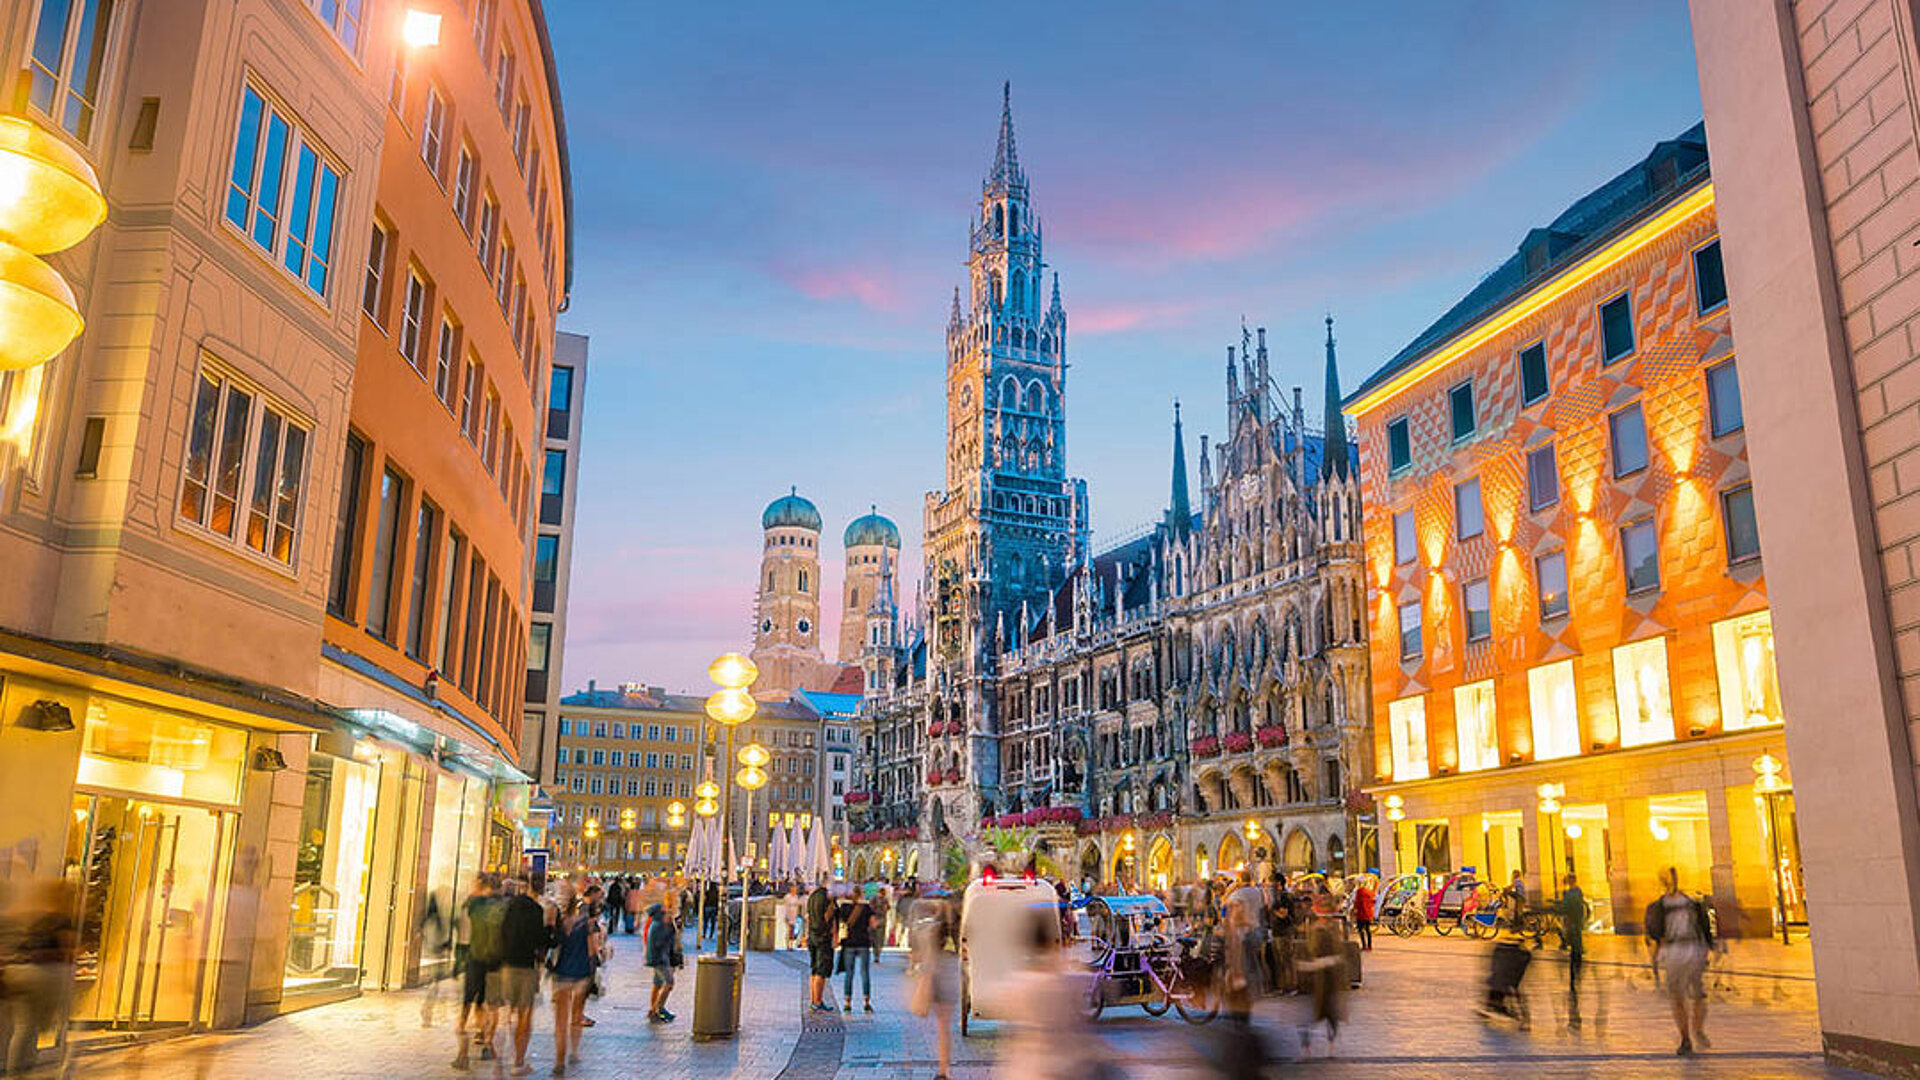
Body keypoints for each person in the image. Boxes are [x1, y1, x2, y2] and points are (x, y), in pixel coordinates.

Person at [1646, 867, 1713, 1055]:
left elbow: (1656, 935)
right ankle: (1697, 1029)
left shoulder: (1659, 906)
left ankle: (1685, 1038)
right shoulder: (1693, 903)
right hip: (1694, 949)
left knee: (1677, 997)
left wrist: (1655, 960)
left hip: (1675, 951)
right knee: (1698, 994)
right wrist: (1707, 950)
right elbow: (1706, 930)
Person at [498, 875, 550, 1076]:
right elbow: (540, 939)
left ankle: (498, 1060)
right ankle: (518, 1061)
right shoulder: (536, 910)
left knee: (505, 1014)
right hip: (526, 966)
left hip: (506, 965)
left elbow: (502, 932)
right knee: (524, 1016)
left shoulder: (510, 907)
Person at [547, 883, 599, 1076]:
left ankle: (559, 1060)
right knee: (576, 1016)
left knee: (560, 1021)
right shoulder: (585, 923)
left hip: (562, 974)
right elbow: (592, 950)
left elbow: (552, 945)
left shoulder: (560, 922)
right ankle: (574, 1051)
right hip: (581, 974)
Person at [455, 873, 504, 1070]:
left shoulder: (475, 904)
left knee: (469, 1002)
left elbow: (465, 910)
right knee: (490, 1004)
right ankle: (487, 1042)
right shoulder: (502, 907)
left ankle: (463, 1053)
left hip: (476, 958)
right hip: (495, 962)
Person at [908, 893, 959, 1080]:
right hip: (946, 977)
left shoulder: (926, 928)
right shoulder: (953, 930)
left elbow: (916, 954)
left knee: (934, 1024)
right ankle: (944, 1068)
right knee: (944, 1027)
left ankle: (941, 1065)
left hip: (930, 977)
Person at [1297, 915, 1347, 1057]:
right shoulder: (1320, 935)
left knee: (1320, 1015)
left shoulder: (1322, 935)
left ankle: (1320, 1047)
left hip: (1323, 983)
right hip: (1319, 983)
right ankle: (1316, 1047)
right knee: (1317, 1016)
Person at [840, 889, 876, 1012]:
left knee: (849, 974)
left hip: (849, 943)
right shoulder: (866, 908)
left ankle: (847, 1003)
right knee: (864, 972)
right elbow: (873, 924)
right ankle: (866, 1002)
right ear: (861, 895)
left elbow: (840, 923)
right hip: (863, 942)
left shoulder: (844, 907)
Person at [1558, 873, 1586, 1029]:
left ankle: (1574, 973)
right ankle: (1576, 965)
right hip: (1577, 925)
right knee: (1576, 944)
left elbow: (1565, 908)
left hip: (1573, 925)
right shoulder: (1578, 892)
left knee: (1574, 946)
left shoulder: (1570, 894)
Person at [806, 878, 837, 1012]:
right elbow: (828, 916)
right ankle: (818, 1001)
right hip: (823, 937)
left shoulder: (812, 896)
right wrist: (834, 934)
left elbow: (808, 917)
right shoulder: (828, 898)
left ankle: (814, 1000)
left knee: (814, 969)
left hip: (812, 936)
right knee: (821, 970)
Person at [1351, 878, 1375, 951]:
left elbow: (1357, 902)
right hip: (1368, 913)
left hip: (1361, 913)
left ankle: (1364, 945)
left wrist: (1354, 910)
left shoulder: (1359, 891)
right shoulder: (1370, 892)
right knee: (1368, 930)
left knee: (1361, 930)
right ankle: (1369, 945)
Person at [778, 885, 802, 951]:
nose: (795, 891)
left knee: (793, 930)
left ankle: (791, 945)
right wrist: (785, 915)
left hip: (794, 915)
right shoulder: (787, 897)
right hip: (788, 915)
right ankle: (788, 945)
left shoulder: (796, 897)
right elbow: (785, 907)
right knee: (789, 929)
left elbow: (798, 905)